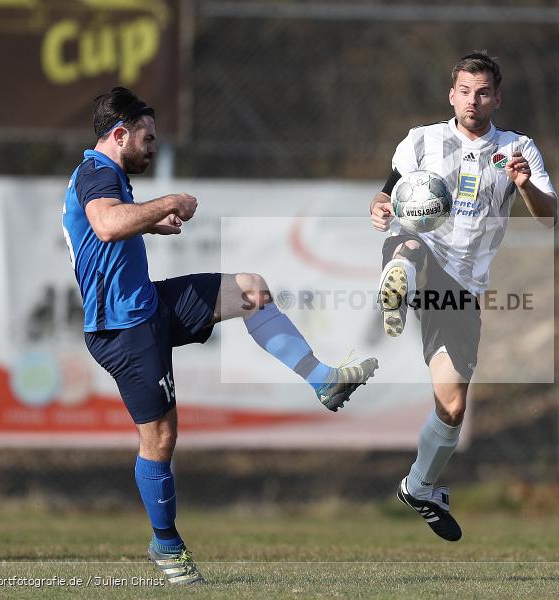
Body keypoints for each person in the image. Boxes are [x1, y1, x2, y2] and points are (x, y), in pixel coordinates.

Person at [62, 87, 378, 584]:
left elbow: (106, 233)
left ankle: (322, 379)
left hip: (148, 306)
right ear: (118, 134)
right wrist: (166, 201)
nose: (152, 147)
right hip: (121, 330)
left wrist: (150, 223)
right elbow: (103, 226)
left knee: (251, 290)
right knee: (161, 437)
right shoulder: (98, 172)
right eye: (147, 138)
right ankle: (166, 547)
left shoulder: (110, 175)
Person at [370, 52, 558, 541]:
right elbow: (387, 194)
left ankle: (419, 485)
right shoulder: (422, 140)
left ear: (497, 96)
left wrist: (524, 186)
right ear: (451, 94)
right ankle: (398, 283)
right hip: (419, 251)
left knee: (451, 408)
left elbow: (549, 213)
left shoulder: (518, 148)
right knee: (410, 244)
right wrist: (380, 205)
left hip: (463, 289)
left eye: (483, 92)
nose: (473, 100)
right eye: (464, 91)